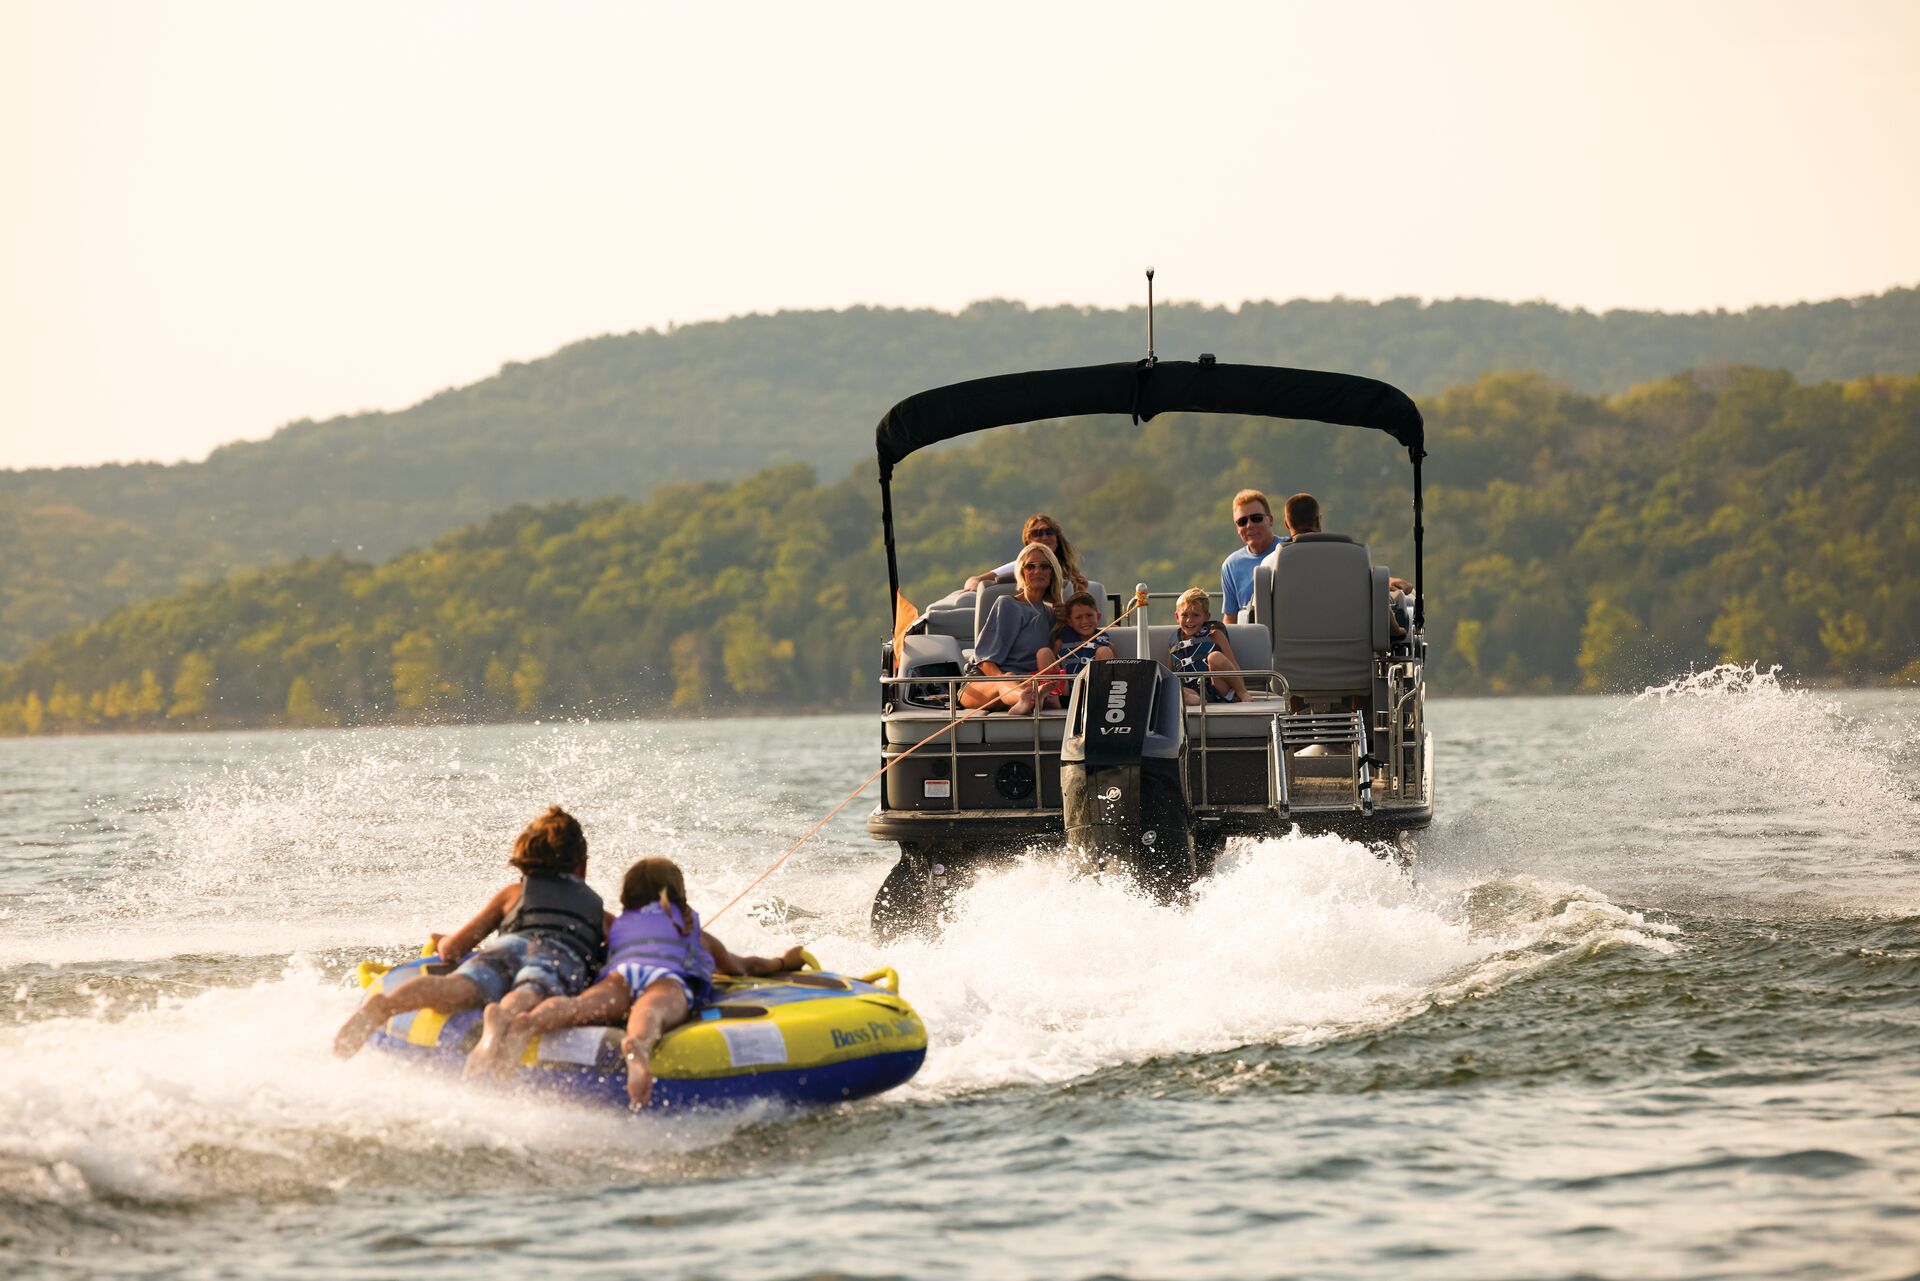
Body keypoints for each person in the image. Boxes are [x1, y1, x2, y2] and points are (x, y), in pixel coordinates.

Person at [468, 857, 805, 1106]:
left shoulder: (617, 925)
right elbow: (741, 967)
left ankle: (529, 1021)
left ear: (627, 897)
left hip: (621, 975)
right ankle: (637, 1048)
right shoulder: (693, 930)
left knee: (578, 1007)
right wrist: (783, 962)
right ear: (678, 893)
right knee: (651, 1013)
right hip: (666, 979)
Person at [333, 805, 609, 1062]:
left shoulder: (513, 894)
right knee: (531, 991)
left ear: (526, 861)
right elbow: (624, 953)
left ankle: (385, 1005)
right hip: (554, 957)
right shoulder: (597, 911)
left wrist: (443, 943)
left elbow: (454, 949)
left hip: (506, 948)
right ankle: (502, 1019)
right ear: (582, 866)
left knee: (458, 988)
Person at [1259, 493, 1415, 631]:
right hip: (1351, 657)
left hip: (1287, 657)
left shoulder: (1271, 564)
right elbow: (1375, 601)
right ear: (1318, 522)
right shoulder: (1352, 559)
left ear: (1287, 523)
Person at [959, 542, 1066, 714]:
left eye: (1044, 566)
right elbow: (985, 661)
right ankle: (1029, 698)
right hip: (983, 684)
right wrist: (1009, 681)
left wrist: (1065, 620)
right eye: (1030, 566)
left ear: (1052, 572)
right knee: (1007, 679)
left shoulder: (1053, 613)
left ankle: (1034, 696)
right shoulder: (1008, 604)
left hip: (1029, 682)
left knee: (1023, 683)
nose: (1037, 571)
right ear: (1022, 573)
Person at [964, 514, 1089, 601]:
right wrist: (977, 590)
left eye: (1049, 532)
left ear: (1057, 538)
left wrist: (1081, 590)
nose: (1044, 537)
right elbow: (974, 580)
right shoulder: (1022, 566)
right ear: (1028, 542)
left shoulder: (1066, 570)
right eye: (1037, 534)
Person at [1168, 587, 1249, 706]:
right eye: (1184, 615)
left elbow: (1234, 666)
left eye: (1196, 615)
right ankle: (1196, 700)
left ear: (1206, 616)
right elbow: (1170, 672)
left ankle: (1243, 694)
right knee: (1172, 687)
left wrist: (1241, 691)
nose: (1189, 620)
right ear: (1176, 617)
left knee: (1214, 656)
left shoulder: (1215, 634)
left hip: (1218, 687)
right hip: (1192, 691)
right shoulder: (1174, 641)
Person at [1034, 591, 1115, 698]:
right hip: (1065, 691)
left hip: (1092, 693)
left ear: (1098, 617)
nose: (1085, 621)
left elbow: (1116, 671)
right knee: (1043, 653)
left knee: (1104, 651)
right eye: (1078, 617)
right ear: (1070, 621)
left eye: (1089, 615)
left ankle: (1104, 698)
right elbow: (1053, 663)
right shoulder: (1061, 641)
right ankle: (1052, 698)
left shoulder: (1107, 644)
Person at [1221, 489, 1284, 623]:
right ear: (1237, 529)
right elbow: (1231, 618)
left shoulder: (1290, 549)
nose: (1250, 525)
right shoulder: (1231, 565)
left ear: (1270, 520)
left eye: (1256, 518)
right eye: (1242, 522)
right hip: (1252, 639)